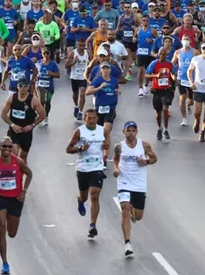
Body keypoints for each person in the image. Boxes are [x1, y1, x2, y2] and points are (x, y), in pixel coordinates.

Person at [0, 137, 34, 275]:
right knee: (1, 229)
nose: (7, 149)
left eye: (10, 146)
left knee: (12, 233)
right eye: (4, 146)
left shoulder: (18, 162)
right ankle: (5, 263)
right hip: (0, 199)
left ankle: (9, 219)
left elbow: (29, 174)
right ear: (0, 147)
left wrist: (24, 191)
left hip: (15, 200)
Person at [113, 121, 157, 258]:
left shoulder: (144, 145)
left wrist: (146, 162)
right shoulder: (119, 147)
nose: (131, 133)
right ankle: (127, 243)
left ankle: (134, 210)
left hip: (139, 184)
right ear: (124, 132)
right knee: (125, 209)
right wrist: (116, 169)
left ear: (136, 132)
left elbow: (154, 158)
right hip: (124, 182)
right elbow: (115, 159)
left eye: (133, 131)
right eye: (128, 130)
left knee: (138, 216)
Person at [65, 108, 108, 239]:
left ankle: (92, 225)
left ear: (97, 119)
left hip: (97, 167)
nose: (92, 120)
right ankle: (80, 200)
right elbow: (68, 149)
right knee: (84, 196)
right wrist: (80, 148)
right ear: (85, 119)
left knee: (94, 195)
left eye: (94, 118)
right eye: (89, 118)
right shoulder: (79, 131)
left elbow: (106, 145)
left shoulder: (103, 131)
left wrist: (105, 147)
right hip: (83, 168)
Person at [0, 79, 47, 163]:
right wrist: (13, 125)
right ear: (17, 87)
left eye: (25, 85)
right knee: (13, 154)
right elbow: (3, 114)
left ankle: (21, 171)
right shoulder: (11, 98)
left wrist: (32, 125)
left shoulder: (33, 100)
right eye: (21, 85)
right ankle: (13, 170)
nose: (23, 88)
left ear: (28, 87)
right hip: (14, 131)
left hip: (26, 132)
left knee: (23, 157)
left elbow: (43, 115)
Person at [86, 62, 121, 166]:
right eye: (103, 69)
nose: (105, 70)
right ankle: (97, 154)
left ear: (110, 70)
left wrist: (118, 90)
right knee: (99, 133)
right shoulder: (97, 80)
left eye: (107, 69)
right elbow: (87, 92)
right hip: (99, 109)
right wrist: (99, 88)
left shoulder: (114, 80)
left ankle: (104, 157)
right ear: (101, 70)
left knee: (106, 131)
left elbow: (117, 87)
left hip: (110, 108)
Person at [146, 48, 175, 140]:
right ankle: (159, 128)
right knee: (158, 114)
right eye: (160, 54)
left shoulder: (170, 64)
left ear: (167, 55)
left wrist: (174, 77)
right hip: (156, 90)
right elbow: (147, 74)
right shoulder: (154, 63)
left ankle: (166, 129)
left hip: (166, 90)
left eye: (164, 54)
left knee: (165, 109)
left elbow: (174, 73)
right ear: (158, 54)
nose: (162, 56)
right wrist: (155, 75)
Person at [172, 34, 198, 126]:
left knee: (191, 101)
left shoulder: (195, 52)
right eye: (184, 39)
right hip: (181, 78)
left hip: (191, 79)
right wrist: (173, 75)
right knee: (182, 98)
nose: (185, 41)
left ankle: (189, 103)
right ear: (181, 40)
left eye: (187, 39)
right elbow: (172, 64)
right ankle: (184, 118)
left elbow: (199, 64)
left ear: (190, 41)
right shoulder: (178, 52)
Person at [65, 38, 90, 120]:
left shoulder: (87, 52)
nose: (82, 47)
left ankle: (80, 112)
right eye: (80, 45)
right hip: (74, 77)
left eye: (83, 46)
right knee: (75, 95)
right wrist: (74, 61)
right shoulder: (73, 53)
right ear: (77, 45)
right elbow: (66, 66)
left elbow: (92, 62)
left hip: (83, 77)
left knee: (82, 94)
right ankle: (76, 106)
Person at [35, 48, 60, 126]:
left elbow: (58, 75)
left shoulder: (53, 64)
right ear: (42, 54)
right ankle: (41, 117)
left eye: (47, 53)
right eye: (44, 53)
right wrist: (35, 77)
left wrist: (51, 73)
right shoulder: (39, 63)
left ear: (50, 54)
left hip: (49, 86)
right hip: (40, 86)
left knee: (47, 102)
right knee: (41, 102)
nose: (46, 55)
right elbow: (35, 72)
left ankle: (46, 117)